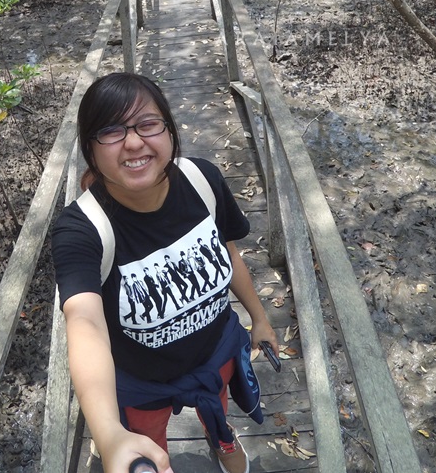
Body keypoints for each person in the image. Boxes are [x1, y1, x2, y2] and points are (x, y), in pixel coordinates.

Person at [52, 72, 278, 473]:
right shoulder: (80, 229)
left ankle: (221, 436)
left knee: (219, 413)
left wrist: (259, 318)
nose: (135, 142)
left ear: (169, 131)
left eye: (148, 124)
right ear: (90, 148)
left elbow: (227, 250)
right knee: (147, 451)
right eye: (111, 131)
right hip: (141, 383)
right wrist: (108, 434)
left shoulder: (202, 179)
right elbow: (83, 319)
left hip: (214, 357)